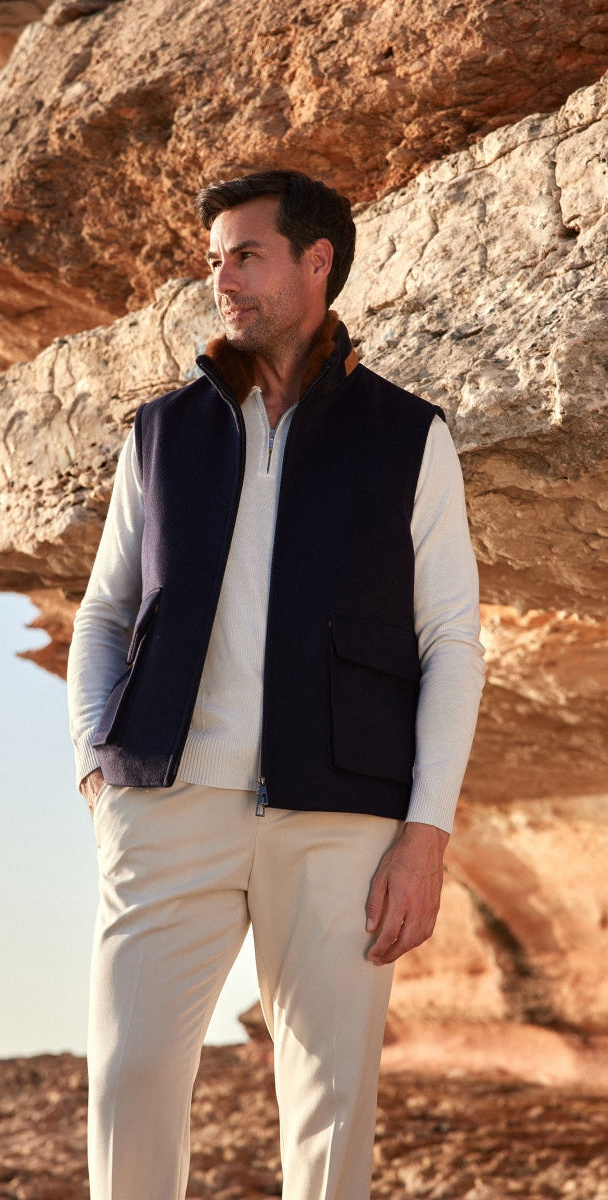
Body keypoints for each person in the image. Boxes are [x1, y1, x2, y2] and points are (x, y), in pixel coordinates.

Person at [67, 169, 485, 1200]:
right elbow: (105, 614)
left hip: (341, 820)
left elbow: (452, 641)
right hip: (167, 808)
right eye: (214, 260)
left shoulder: (409, 436)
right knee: (130, 1081)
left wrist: (424, 834)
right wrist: (97, 770)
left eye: (245, 255)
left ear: (316, 261)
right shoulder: (161, 434)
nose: (223, 279)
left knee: (332, 1104)